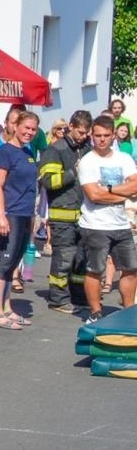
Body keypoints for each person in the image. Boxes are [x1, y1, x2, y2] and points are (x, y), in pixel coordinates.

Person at [76, 114, 137, 320]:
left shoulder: (124, 159)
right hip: (95, 225)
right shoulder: (88, 161)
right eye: (98, 135)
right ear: (92, 136)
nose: (102, 139)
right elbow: (94, 195)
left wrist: (109, 189)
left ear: (113, 136)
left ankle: (129, 312)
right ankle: (95, 312)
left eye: (106, 135)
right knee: (95, 270)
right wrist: (124, 192)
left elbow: (135, 185)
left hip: (121, 224)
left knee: (130, 269)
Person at [0, 110, 40, 329]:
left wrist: (33, 216)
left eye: (33, 129)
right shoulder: (5, 152)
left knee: (13, 264)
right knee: (4, 263)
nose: (29, 132)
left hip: (25, 214)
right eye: (26, 127)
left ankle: (7, 308)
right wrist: (1, 216)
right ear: (15, 126)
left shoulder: (27, 152)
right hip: (10, 214)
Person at [40, 109, 93, 314]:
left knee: (81, 260)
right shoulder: (56, 149)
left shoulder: (87, 148)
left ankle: (78, 296)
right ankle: (58, 299)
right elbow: (48, 181)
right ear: (70, 126)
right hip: (62, 214)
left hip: (83, 215)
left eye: (86, 132)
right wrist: (73, 172)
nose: (83, 136)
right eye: (80, 132)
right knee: (63, 258)